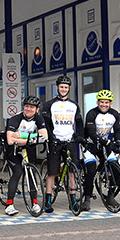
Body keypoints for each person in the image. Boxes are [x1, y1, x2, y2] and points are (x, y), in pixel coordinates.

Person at [41, 75, 84, 214]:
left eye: (66, 87)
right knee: (52, 172)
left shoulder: (74, 105)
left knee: (72, 172)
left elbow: (79, 122)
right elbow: (46, 124)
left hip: (70, 141)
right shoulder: (49, 104)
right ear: (57, 87)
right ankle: (47, 201)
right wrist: (51, 137)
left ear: (69, 88)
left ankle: (73, 200)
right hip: (55, 141)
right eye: (61, 87)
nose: (64, 89)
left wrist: (80, 136)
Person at [4, 96, 48, 215]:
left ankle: (34, 203)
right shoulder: (15, 119)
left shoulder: (39, 119)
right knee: (17, 172)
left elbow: (44, 137)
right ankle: (9, 205)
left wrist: (22, 136)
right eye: (26, 106)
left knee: (31, 173)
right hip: (13, 150)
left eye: (32, 107)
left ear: (37, 109)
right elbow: (10, 140)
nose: (28, 109)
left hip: (29, 149)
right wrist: (34, 138)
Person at [82, 89, 120, 211]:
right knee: (91, 170)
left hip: (105, 144)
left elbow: (117, 131)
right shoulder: (91, 114)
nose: (104, 105)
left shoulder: (114, 114)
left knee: (116, 168)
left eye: (106, 102)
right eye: (101, 102)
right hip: (90, 145)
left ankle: (110, 196)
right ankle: (87, 199)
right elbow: (92, 133)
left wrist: (118, 142)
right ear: (97, 102)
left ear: (110, 103)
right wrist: (104, 141)